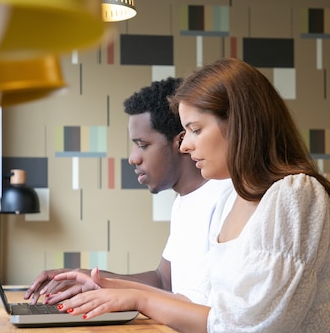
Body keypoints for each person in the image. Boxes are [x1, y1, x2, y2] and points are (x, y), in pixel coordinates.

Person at [50, 58, 330, 333]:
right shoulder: (233, 200)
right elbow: (204, 306)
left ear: (239, 124)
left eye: (195, 129)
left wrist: (136, 297)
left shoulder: (295, 193)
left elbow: (251, 331)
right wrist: (107, 285)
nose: (185, 145)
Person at [24, 77, 232, 305]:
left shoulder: (227, 198)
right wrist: (90, 278)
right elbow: (164, 281)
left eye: (142, 145)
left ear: (180, 141)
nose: (133, 158)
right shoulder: (184, 201)